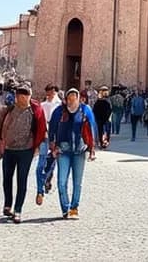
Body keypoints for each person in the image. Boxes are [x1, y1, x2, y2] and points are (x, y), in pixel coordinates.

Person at [0, 85, 47, 223]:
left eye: (26, 95)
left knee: (21, 180)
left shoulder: (35, 111)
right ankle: (7, 204)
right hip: (9, 149)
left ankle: (18, 210)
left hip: (26, 150)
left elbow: (42, 129)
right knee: (7, 178)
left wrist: (37, 148)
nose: (23, 98)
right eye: (20, 95)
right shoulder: (8, 110)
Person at [48, 88, 98, 219]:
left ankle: (74, 208)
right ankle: (65, 208)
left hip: (79, 151)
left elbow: (92, 128)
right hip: (63, 151)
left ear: (78, 98)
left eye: (73, 98)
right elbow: (52, 129)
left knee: (77, 182)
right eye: (68, 98)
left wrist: (92, 149)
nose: (71, 101)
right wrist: (52, 146)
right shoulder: (59, 111)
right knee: (61, 182)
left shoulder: (85, 110)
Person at [34, 84, 62, 205]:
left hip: (55, 138)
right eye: (47, 91)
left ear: (55, 92)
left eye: (51, 91)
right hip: (44, 137)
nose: (49, 94)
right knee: (40, 165)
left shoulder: (60, 105)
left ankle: (46, 179)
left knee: (51, 162)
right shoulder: (42, 105)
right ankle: (40, 191)